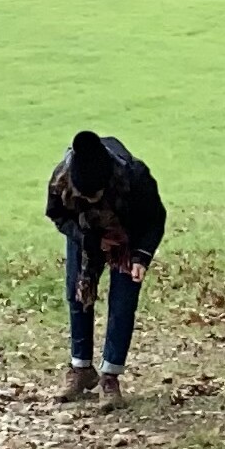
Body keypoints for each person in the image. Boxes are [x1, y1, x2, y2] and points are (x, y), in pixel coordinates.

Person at [47, 131, 168, 407]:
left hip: (127, 236)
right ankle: (81, 369)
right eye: (84, 196)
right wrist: (91, 239)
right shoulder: (61, 179)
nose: (91, 201)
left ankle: (110, 376)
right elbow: (57, 215)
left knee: (123, 302)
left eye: (96, 195)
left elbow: (155, 218)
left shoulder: (134, 177)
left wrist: (140, 257)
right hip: (85, 234)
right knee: (78, 294)